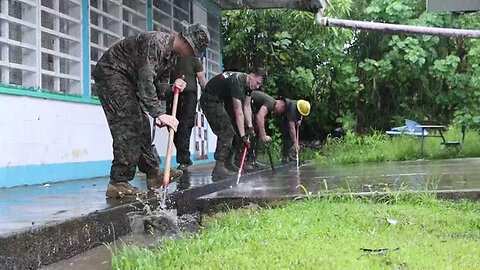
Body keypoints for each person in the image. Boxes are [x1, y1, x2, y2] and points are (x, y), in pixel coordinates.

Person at [92, 22, 210, 198]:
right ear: (187, 42)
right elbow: (145, 83)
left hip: (129, 80)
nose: (192, 56)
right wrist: (160, 114)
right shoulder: (156, 44)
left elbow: (157, 87)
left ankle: (153, 175)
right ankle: (118, 182)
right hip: (112, 73)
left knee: (142, 126)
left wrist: (172, 88)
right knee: (129, 124)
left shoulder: (171, 57)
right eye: (193, 51)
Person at [200, 68, 266, 179]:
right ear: (251, 76)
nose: (258, 86)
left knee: (234, 130)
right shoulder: (237, 81)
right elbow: (238, 111)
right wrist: (243, 136)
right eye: (257, 83)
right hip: (209, 99)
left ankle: (228, 163)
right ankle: (219, 167)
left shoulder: (248, 85)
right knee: (227, 132)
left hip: (220, 100)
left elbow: (247, 106)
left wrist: (249, 127)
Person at [168, 56, 207, 172]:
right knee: (172, 126)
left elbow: (201, 78)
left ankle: (183, 161)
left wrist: (209, 92)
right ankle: (184, 157)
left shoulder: (195, 59)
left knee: (185, 126)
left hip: (189, 95)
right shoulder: (171, 57)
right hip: (172, 93)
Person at [245, 91, 287, 168]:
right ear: (282, 106)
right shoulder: (271, 103)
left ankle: (252, 160)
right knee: (250, 136)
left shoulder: (270, 107)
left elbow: (261, 121)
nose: (279, 113)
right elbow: (259, 117)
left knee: (257, 135)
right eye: (281, 112)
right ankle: (246, 162)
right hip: (245, 105)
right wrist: (264, 136)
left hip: (251, 110)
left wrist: (261, 134)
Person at [278, 99, 311, 163]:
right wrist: (295, 143)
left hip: (289, 117)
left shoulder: (301, 106)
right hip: (282, 117)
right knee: (287, 135)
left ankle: (289, 155)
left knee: (291, 136)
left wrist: (300, 120)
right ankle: (285, 156)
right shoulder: (292, 109)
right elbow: (292, 128)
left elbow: (302, 114)